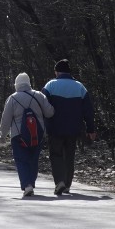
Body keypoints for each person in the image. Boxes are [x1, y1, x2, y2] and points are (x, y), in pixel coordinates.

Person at [42, 59, 96, 196]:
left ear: (57, 72)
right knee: (69, 156)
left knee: (56, 154)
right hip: (74, 129)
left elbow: (42, 105)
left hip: (54, 127)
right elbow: (88, 111)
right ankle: (67, 184)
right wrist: (91, 129)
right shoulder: (80, 87)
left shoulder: (50, 85)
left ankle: (59, 181)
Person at [0, 73, 54, 197]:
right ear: (29, 83)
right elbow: (50, 113)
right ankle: (31, 183)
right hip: (38, 135)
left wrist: (2, 135)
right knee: (33, 160)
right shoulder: (39, 95)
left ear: (16, 84)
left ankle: (27, 185)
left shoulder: (12, 98)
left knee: (21, 160)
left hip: (18, 136)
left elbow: (6, 119)